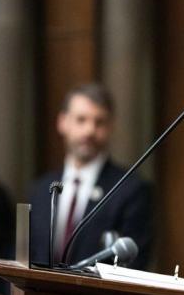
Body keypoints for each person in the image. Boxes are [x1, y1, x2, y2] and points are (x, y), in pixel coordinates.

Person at [29, 83, 153, 269]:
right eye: (81, 120)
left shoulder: (130, 190)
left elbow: (134, 265)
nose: (89, 131)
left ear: (111, 127)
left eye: (99, 122)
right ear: (62, 122)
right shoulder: (41, 189)